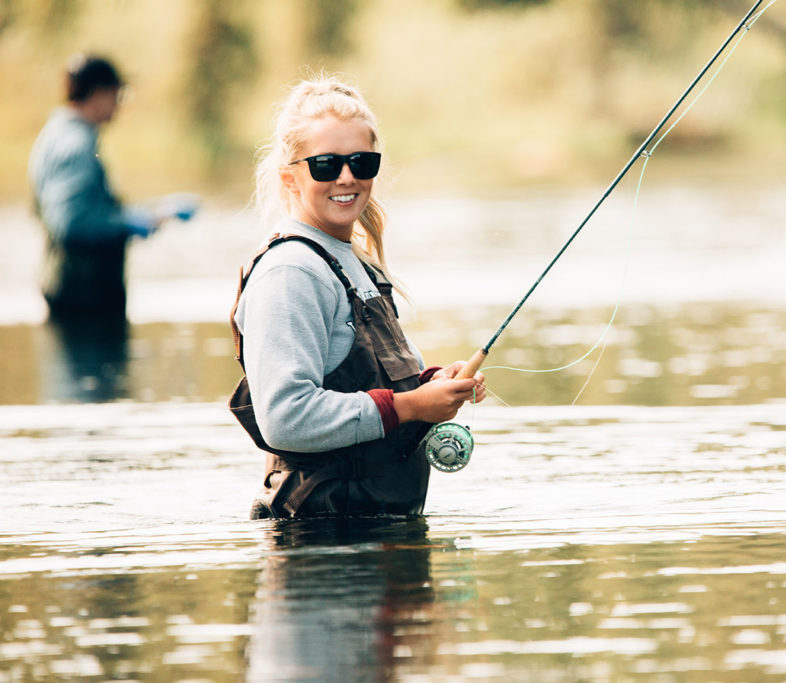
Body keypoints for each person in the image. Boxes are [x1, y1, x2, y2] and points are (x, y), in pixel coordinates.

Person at [230, 74, 486, 520]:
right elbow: (286, 417)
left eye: (362, 162)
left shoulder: (353, 261)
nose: (347, 177)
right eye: (326, 164)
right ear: (291, 177)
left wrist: (432, 388)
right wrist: (410, 406)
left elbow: (365, 385)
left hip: (373, 541)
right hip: (319, 549)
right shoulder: (291, 271)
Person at [28, 53, 197, 320]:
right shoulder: (76, 145)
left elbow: (81, 208)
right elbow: (71, 223)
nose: (118, 107)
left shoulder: (55, 133)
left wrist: (146, 212)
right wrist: (128, 224)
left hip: (69, 286)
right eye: (116, 96)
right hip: (84, 296)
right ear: (97, 94)